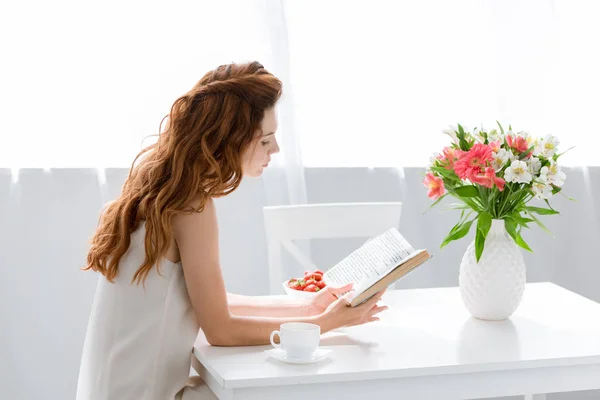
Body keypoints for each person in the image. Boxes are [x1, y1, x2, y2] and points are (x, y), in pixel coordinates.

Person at [76, 61, 388, 400]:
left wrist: (307, 309)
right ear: (228, 140)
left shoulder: (158, 187)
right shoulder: (191, 206)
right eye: (266, 139)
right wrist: (328, 324)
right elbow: (220, 329)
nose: (276, 150)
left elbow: (206, 303)